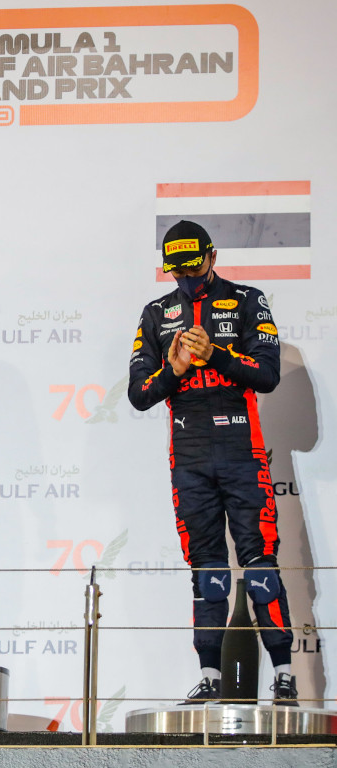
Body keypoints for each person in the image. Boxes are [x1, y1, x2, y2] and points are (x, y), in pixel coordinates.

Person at [128, 220, 296, 704]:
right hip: (190, 457)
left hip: (243, 453)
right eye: (176, 270)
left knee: (260, 562)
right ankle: (210, 678)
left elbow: (266, 375)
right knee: (206, 569)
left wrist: (217, 355)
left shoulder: (247, 299)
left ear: (213, 256)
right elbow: (139, 394)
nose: (187, 278)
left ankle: (283, 675)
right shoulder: (156, 313)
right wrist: (175, 368)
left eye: (193, 267)